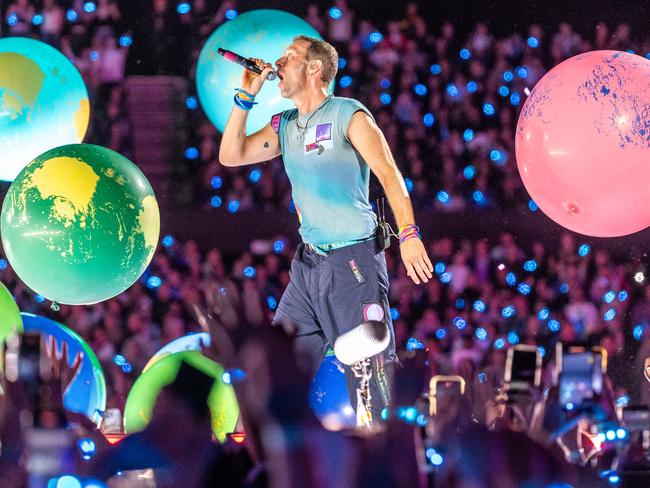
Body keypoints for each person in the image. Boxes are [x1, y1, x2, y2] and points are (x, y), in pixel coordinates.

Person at [219, 35, 432, 424]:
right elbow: (231, 155)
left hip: (353, 262)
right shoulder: (284, 124)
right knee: (275, 365)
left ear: (314, 68)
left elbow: (389, 174)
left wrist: (409, 234)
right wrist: (245, 93)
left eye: (290, 57)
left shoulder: (349, 115)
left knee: (371, 373)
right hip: (308, 267)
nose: (278, 63)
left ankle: (394, 456)